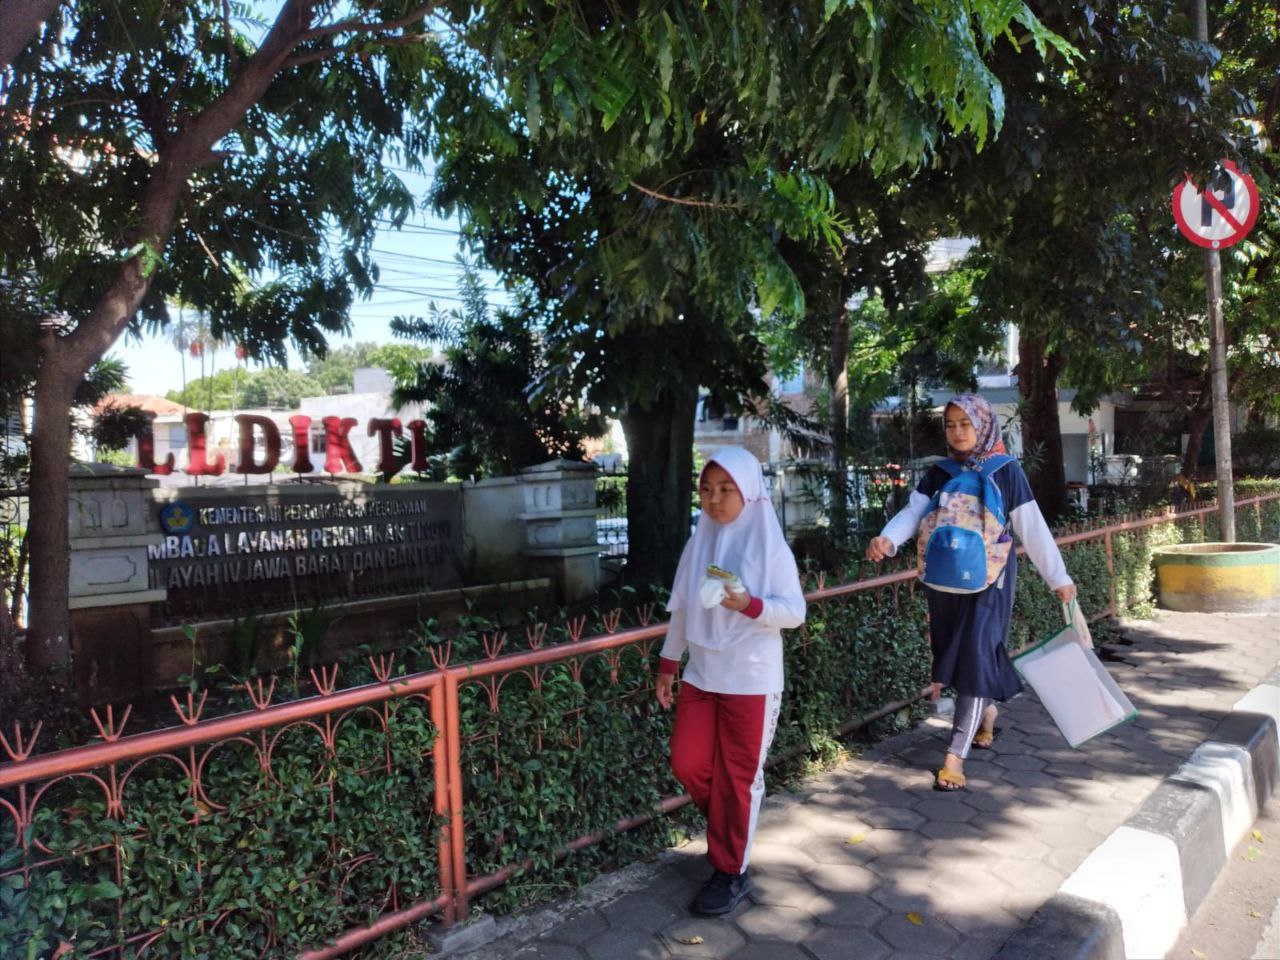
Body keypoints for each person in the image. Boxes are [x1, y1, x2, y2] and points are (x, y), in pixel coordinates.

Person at [866, 395, 1077, 792]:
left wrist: (1058, 578)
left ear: (982, 425)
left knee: (976, 656)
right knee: (958, 655)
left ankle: (954, 756)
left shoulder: (1006, 471)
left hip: (991, 583)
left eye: (966, 424)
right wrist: (888, 540)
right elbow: (913, 514)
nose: (958, 432)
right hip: (943, 582)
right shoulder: (939, 472)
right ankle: (987, 713)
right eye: (951, 425)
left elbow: (1032, 528)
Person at [655, 447, 807, 915]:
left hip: (751, 678)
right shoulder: (699, 539)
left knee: (739, 779)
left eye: (726, 490)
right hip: (702, 673)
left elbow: (795, 613)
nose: (714, 499)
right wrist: (667, 663)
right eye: (706, 489)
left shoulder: (769, 546)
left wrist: (749, 605)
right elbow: (682, 605)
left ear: (749, 492)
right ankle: (728, 830)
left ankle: (730, 872)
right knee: (689, 764)